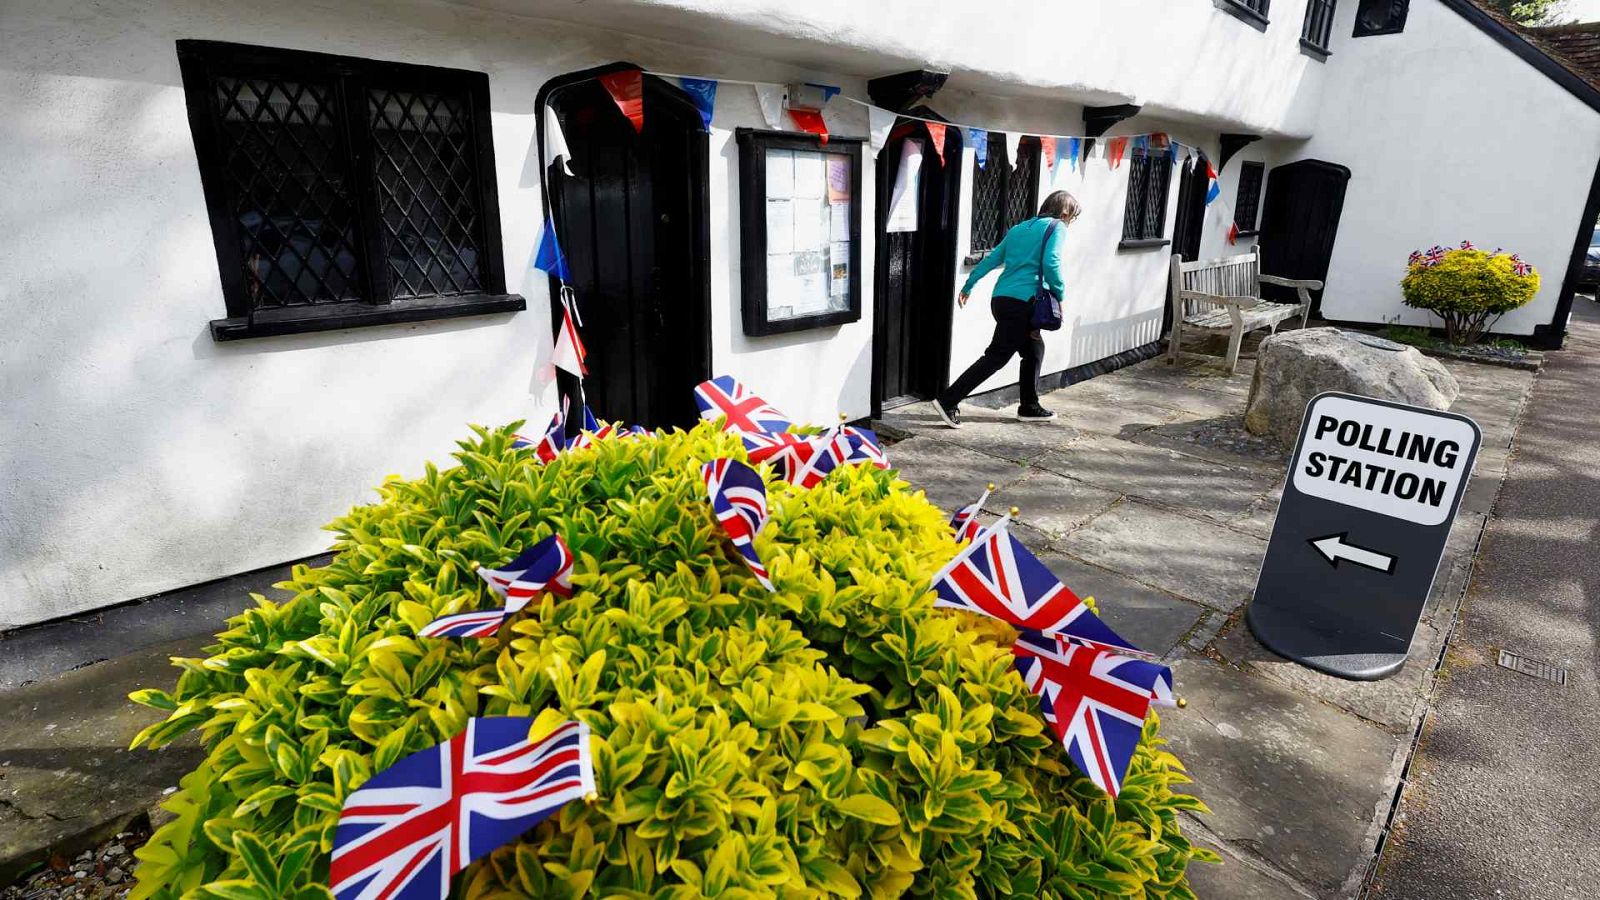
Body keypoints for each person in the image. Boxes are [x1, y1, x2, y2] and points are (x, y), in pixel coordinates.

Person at [933, 190, 1081, 428]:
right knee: (997, 356)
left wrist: (970, 285)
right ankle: (947, 400)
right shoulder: (1057, 227)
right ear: (1064, 213)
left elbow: (992, 259)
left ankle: (1029, 406)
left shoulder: (1019, 229)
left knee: (1033, 350)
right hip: (1024, 304)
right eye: (1071, 218)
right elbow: (1050, 262)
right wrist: (1060, 294)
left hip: (1002, 299)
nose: (1070, 223)